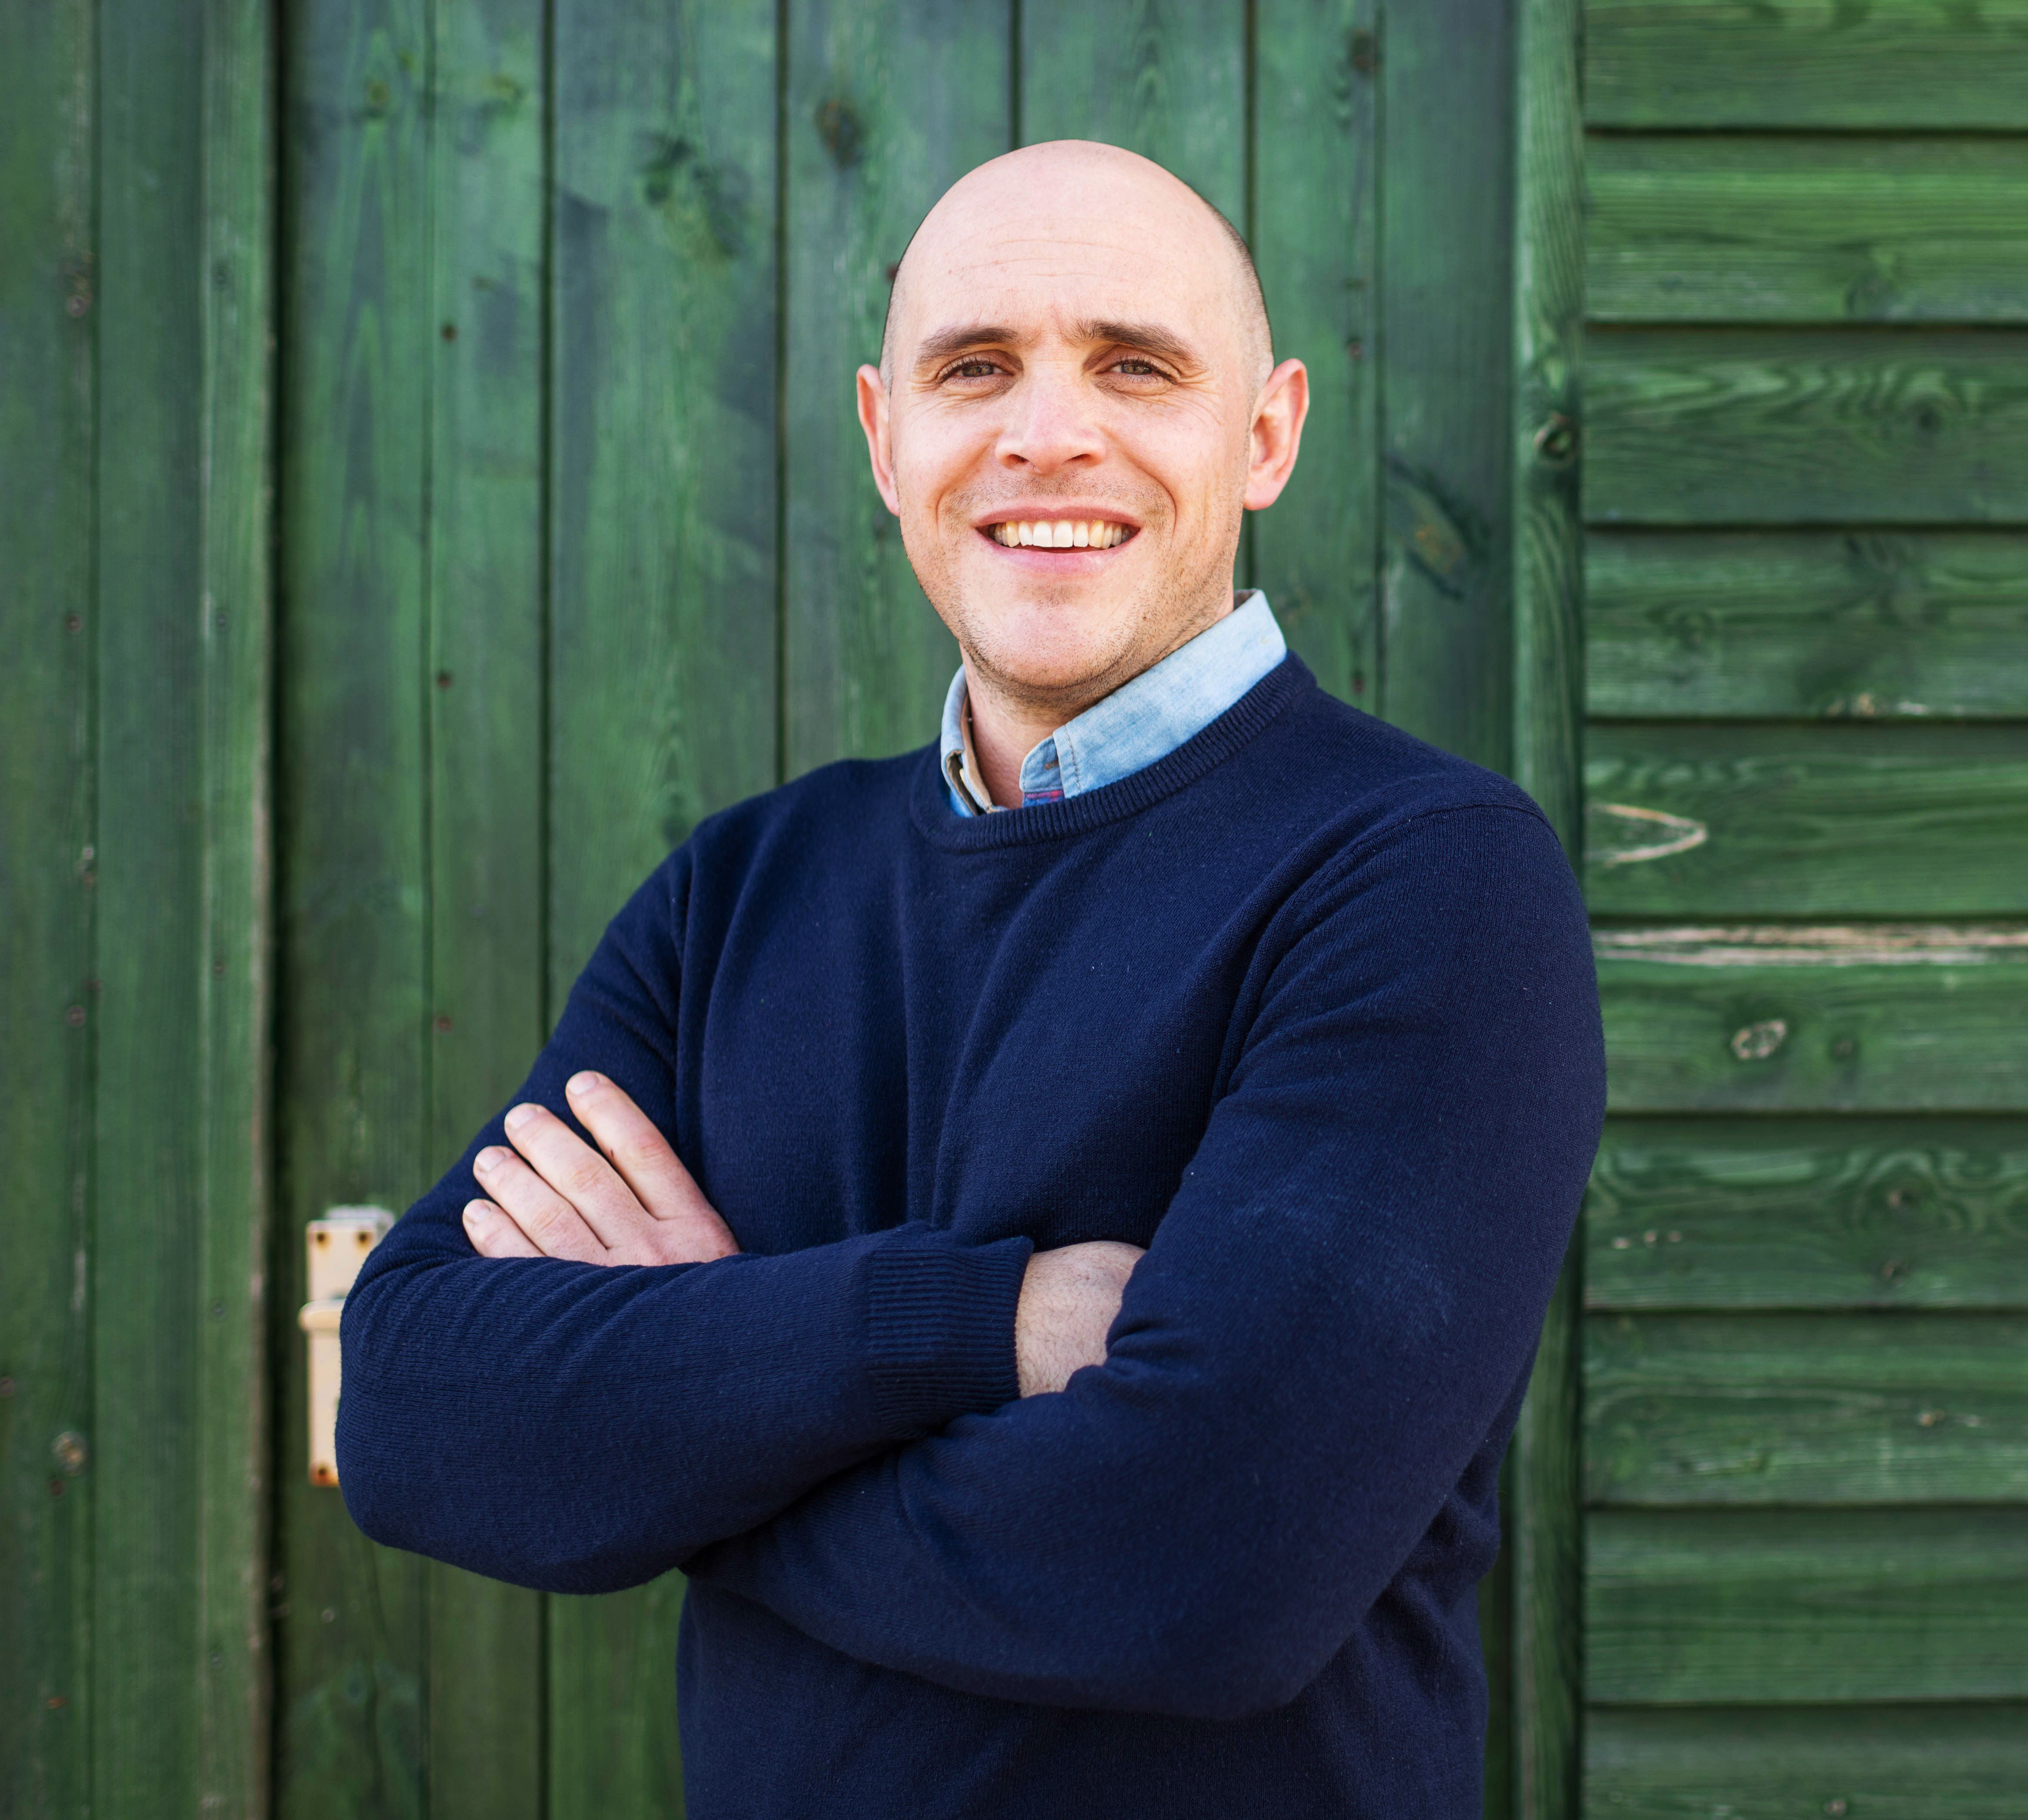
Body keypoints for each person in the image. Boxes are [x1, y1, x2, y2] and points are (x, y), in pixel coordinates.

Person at [338, 139, 1603, 1819]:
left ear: (1267, 432)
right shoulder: (740, 888)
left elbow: (1200, 1566)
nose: (1047, 432)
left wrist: (685, 1408)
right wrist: (973, 1325)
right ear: (886, 438)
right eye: (975, 368)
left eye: (1135, 365)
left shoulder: (1423, 877)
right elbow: (419, 1404)